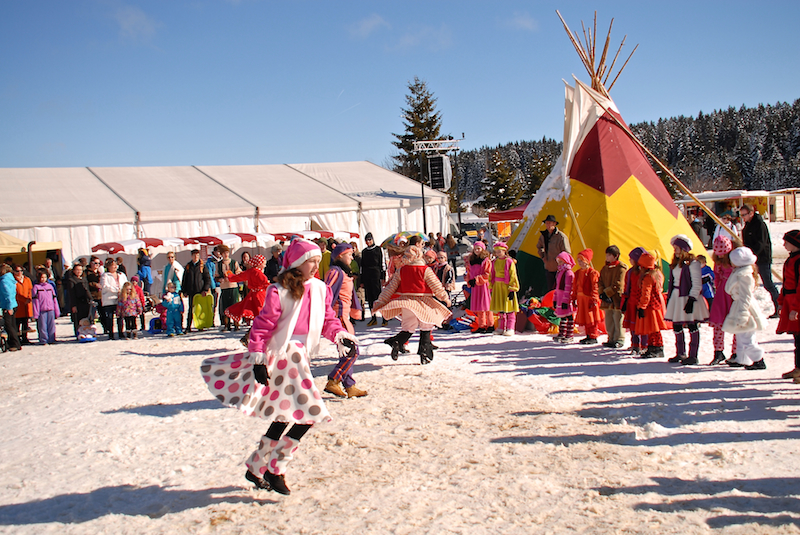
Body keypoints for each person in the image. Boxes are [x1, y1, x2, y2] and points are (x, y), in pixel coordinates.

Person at [201, 238, 358, 495]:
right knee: (310, 413)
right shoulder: (280, 290)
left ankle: (256, 466)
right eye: (311, 261)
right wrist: (257, 357)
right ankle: (276, 468)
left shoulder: (320, 289)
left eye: (318, 260)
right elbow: (262, 326)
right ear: (297, 263)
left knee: (286, 415)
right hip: (284, 355)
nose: (316, 265)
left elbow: (328, 320)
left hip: (301, 357)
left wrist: (340, 335)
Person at [375, 245, 451, 364]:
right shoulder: (425, 270)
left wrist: (381, 300)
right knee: (426, 325)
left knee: (409, 326)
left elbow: (390, 288)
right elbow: (436, 285)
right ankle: (424, 351)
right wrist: (445, 297)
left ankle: (397, 341)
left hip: (407, 302)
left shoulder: (401, 270)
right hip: (423, 301)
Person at [323, 243, 367, 398]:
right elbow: (327, 292)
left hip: (345, 316)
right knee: (352, 351)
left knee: (347, 351)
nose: (352, 257)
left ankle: (350, 385)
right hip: (338, 317)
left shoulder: (342, 271)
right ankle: (333, 380)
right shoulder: (335, 271)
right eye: (349, 254)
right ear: (340, 255)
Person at [665, 234, 709, 365]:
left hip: (688, 296)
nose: (675, 250)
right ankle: (680, 352)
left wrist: (692, 298)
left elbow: (696, 283)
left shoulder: (693, 263)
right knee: (677, 324)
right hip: (677, 296)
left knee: (692, 324)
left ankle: (693, 355)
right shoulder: (676, 264)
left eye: (677, 248)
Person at [722, 247, 767, 369]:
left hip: (745, 308)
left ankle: (758, 359)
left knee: (747, 336)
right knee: (741, 335)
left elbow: (746, 296)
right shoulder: (740, 272)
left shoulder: (744, 275)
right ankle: (742, 359)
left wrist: (743, 313)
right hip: (740, 306)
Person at [739, 204, 780, 318]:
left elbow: (761, 244)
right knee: (748, 284)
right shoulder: (747, 226)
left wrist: (752, 256)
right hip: (751, 259)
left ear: (751, 213)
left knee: (768, 284)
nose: (742, 217)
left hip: (762, 259)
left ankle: (779, 307)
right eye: (741, 215)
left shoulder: (759, 225)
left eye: (744, 215)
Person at [708, 237, 737, 366]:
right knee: (719, 323)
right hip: (722, 293)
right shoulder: (718, 261)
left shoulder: (735, 259)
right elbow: (717, 275)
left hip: (734, 293)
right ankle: (718, 351)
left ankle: (737, 351)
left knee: (737, 322)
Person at [635, 252, 668, 359]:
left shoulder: (647, 277)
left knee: (653, 329)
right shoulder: (655, 274)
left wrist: (641, 306)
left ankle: (657, 347)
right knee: (652, 329)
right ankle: (653, 347)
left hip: (650, 307)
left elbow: (646, 294)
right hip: (655, 306)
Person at [777, 230, 800, 383]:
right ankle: (798, 367)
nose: (784, 244)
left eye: (787, 241)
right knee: (797, 338)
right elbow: (786, 284)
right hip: (789, 300)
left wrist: (796, 308)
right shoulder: (791, 259)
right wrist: (780, 301)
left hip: (796, 302)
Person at [224, 254, 269, 327]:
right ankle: (260, 327)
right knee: (261, 310)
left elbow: (239, 277)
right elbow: (265, 284)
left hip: (252, 294)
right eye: (264, 264)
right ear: (259, 264)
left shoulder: (250, 271)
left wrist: (230, 277)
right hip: (260, 295)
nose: (265, 265)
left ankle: (256, 327)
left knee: (252, 309)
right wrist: (276, 288)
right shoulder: (259, 273)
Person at [571, 249, 603, 345]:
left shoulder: (592, 273)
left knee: (591, 317)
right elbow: (575, 287)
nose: (579, 262)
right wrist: (574, 298)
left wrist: (594, 299)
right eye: (578, 260)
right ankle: (588, 335)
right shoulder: (577, 273)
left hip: (589, 298)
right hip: (581, 298)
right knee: (585, 317)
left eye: (581, 260)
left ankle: (593, 335)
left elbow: (595, 287)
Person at [598, 245, 627, 348]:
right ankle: (610, 338)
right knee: (609, 319)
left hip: (616, 298)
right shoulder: (605, 268)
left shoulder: (621, 268)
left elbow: (619, 283)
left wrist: (607, 292)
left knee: (618, 318)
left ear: (616, 256)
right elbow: (600, 281)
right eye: (607, 254)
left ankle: (619, 339)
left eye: (609, 255)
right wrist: (602, 292)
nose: (607, 257)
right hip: (607, 298)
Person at [489, 242, 519, 336]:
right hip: (498, 286)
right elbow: (491, 274)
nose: (498, 253)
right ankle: (501, 327)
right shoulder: (494, 262)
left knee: (509, 307)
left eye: (499, 251)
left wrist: (512, 288)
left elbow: (513, 275)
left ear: (504, 251)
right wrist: (491, 286)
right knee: (500, 308)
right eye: (496, 252)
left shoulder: (509, 262)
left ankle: (510, 327)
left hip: (506, 287)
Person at [621, 247, 647, 355]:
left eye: (631, 258)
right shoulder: (630, 272)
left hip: (640, 301)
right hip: (632, 301)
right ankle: (635, 344)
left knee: (643, 326)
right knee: (633, 326)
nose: (630, 260)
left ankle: (644, 345)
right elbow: (627, 286)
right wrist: (625, 301)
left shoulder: (644, 272)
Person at [536, 215, 571, 293]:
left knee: (560, 290)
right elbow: (539, 246)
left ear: (554, 224)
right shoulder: (543, 235)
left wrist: (562, 262)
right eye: (547, 223)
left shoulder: (561, 237)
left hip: (560, 268)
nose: (548, 225)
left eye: (550, 223)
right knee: (551, 291)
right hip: (549, 267)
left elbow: (567, 252)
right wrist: (543, 256)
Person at [465, 241, 493, 333]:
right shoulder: (471, 260)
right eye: (475, 248)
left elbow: (487, 274)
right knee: (479, 306)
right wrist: (469, 280)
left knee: (487, 305)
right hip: (475, 286)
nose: (477, 250)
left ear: (482, 249)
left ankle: (490, 324)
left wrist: (477, 279)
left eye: (479, 248)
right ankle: (481, 325)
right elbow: (469, 272)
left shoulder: (486, 260)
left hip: (483, 285)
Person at [181, 249, 212, 333]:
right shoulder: (188, 266)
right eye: (194, 255)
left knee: (200, 309)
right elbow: (185, 279)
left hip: (200, 291)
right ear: (192, 256)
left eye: (197, 255)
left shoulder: (202, 266)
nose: (196, 257)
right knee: (191, 309)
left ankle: (200, 325)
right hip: (191, 291)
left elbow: (207, 279)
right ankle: (188, 326)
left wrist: (205, 289)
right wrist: (184, 291)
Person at [361, 233, 386, 326]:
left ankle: (384, 318)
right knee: (370, 298)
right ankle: (373, 317)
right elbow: (362, 266)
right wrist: (362, 280)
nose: (368, 242)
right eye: (366, 240)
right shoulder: (364, 252)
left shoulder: (378, 249)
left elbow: (382, 263)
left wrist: (382, 277)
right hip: (367, 276)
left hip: (376, 275)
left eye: (370, 240)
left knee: (379, 297)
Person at [99, 258, 127, 340]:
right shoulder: (105, 275)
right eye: (112, 265)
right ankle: (111, 334)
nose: (115, 267)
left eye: (115, 265)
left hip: (120, 299)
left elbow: (125, 284)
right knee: (109, 318)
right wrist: (115, 290)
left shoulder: (121, 274)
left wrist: (123, 291)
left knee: (120, 317)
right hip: (109, 299)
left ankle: (121, 332)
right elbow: (104, 286)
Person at [215, 245, 241, 331]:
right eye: (224, 253)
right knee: (225, 306)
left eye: (227, 252)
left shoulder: (234, 262)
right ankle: (227, 324)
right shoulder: (218, 264)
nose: (226, 254)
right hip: (224, 287)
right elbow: (216, 276)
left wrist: (233, 276)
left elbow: (239, 273)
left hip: (233, 286)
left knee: (235, 305)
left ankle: (236, 324)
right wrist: (221, 279)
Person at [31, 270, 60, 344]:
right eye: (42, 277)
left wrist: (57, 310)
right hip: (41, 309)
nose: (43, 279)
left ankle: (52, 339)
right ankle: (43, 340)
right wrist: (36, 312)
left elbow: (54, 299)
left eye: (45, 277)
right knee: (42, 326)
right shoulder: (36, 287)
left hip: (51, 309)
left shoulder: (50, 286)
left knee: (51, 325)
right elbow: (35, 301)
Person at [552, 252, 576, 343]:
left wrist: (566, 300)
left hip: (565, 297)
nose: (559, 264)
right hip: (559, 296)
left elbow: (568, 287)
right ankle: (562, 333)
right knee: (562, 316)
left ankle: (569, 334)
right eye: (558, 262)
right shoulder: (560, 272)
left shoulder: (568, 273)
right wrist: (555, 298)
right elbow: (557, 286)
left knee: (568, 315)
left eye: (561, 261)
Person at [66, 263, 92, 337]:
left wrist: (91, 299)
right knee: (78, 320)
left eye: (80, 270)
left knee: (86, 319)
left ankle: (87, 333)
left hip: (86, 302)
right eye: (77, 270)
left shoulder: (84, 278)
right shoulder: (71, 280)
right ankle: (79, 334)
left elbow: (87, 290)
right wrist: (73, 305)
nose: (79, 271)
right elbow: (71, 294)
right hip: (77, 302)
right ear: (73, 271)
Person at [0, 264, 21, 352]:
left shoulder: (3, 280)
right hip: (13, 304)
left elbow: (7, 294)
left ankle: (14, 343)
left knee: (8, 325)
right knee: (12, 324)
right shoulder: (10, 278)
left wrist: (8, 307)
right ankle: (15, 342)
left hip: (8, 305)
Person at [13, 265, 33, 345]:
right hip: (18, 305)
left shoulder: (27, 279)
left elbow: (30, 290)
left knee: (25, 323)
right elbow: (14, 293)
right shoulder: (13, 281)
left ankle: (25, 338)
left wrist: (28, 299)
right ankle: (18, 339)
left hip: (26, 305)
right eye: (17, 271)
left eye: (21, 270)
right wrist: (24, 299)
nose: (20, 272)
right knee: (17, 324)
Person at [206, 247, 221, 327]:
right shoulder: (210, 261)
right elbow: (209, 275)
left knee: (222, 304)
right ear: (214, 252)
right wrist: (213, 286)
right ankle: (211, 320)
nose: (219, 253)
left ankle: (223, 321)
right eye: (218, 251)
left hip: (222, 285)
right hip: (214, 285)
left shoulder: (222, 260)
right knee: (213, 304)